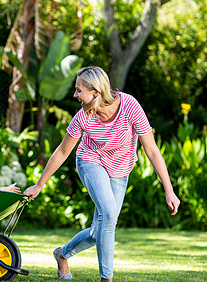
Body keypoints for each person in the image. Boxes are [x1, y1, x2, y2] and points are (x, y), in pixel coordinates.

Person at [24, 66, 180, 281]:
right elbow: (62, 151)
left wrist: (169, 190)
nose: (75, 94)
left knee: (100, 231)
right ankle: (106, 279)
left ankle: (62, 254)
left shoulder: (129, 106)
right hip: (90, 161)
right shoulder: (82, 117)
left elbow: (152, 150)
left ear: (95, 92)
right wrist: (39, 184)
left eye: (79, 90)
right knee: (107, 214)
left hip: (120, 168)